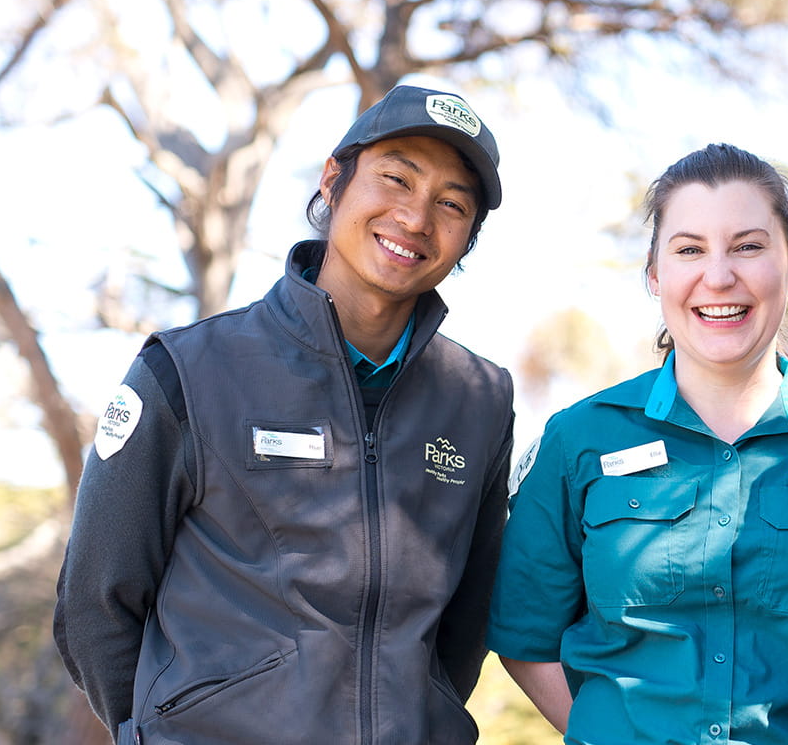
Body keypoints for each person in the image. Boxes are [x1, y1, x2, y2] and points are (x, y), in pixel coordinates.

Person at [54, 84, 515, 745]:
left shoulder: (480, 399)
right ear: (333, 181)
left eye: (451, 203)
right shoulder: (189, 370)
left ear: (468, 234)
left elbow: (465, 624)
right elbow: (96, 602)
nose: (415, 218)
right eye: (395, 178)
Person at [487, 144, 788, 745]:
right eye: (689, 249)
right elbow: (525, 637)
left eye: (748, 246)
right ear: (654, 273)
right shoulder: (579, 439)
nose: (718, 276)